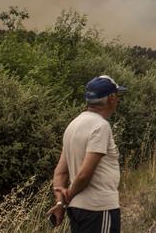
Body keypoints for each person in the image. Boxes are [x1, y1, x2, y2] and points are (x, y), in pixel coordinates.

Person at [50, 75, 127, 232]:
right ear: (111, 98)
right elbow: (85, 174)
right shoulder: (101, 126)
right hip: (99, 208)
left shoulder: (73, 125)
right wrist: (69, 195)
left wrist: (60, 203)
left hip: (77, 211)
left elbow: (60, 172)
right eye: (117, 95)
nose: (118, 100)